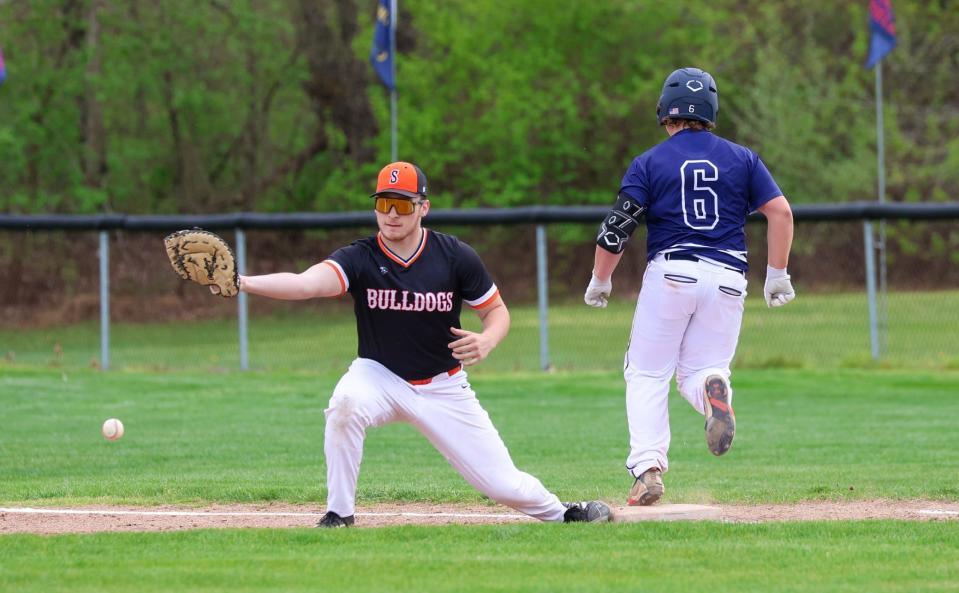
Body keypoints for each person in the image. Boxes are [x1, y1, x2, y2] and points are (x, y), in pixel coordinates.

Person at [240, 161, 611, 527]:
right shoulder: (360, 257)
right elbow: (306, 284)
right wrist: (243, 282)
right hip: (379, 376)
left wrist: (488, 339)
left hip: (443, 384)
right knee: (345, 406)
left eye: (402, 204)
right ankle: (339, 513)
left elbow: (497, 312)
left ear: (423, 207)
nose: (391, 215)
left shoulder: (454, 256)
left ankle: (563, 511)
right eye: (384, 204)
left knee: (501, 484)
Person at [583, 68, 795, 506]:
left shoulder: (649, 162)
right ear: (712, 111)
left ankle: (647, 469)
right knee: (700, 371)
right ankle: (714, 389)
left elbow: (615, 229)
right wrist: (777, 274)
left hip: (672, 274)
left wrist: (601, 279)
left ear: (665, 111)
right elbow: (781, 213)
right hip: (729, 280)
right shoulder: (743, 158)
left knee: (646, 372)